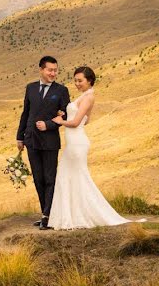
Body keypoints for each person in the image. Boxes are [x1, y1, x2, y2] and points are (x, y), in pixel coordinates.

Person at [48, 66, 144, 230]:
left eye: (80, 80)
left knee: (75, 177)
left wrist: (60, 121)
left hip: (77, 143)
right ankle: (71, 216)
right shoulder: (84, 96)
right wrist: (67, 115)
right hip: (74, 142)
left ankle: (79, 216)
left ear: (89, 81)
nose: (77, 83)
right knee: (68, 177)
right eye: (75, 80)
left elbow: (77, 123)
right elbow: (87, 120)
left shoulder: (89, 97)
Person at [16, 56, 70, 230]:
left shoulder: (61, 90)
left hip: (50, 141)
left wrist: (48, 124)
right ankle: (44, 214)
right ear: (41, 69)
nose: (53, 73)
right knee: (38, 179)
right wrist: (20, 137)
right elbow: (26, 113)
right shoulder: (30, 88)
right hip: (31, 139)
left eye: (55, 70)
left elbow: (66, 116)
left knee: (49, 178)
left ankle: (49, 215)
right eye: (50, 70)